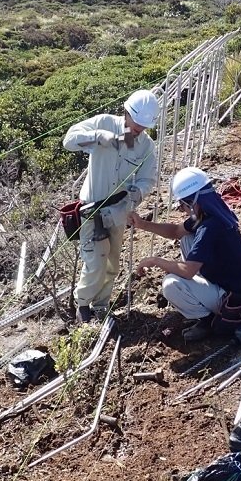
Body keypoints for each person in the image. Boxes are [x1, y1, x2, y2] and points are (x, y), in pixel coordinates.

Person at [128, 166, 241, 341]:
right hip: (239, 284)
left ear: (192, 201)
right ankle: (204, 294)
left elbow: (187, 270)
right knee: (186, 238)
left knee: (170, 284)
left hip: (233, 298)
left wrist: (155, 261)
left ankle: (209, 319)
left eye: (182, 204)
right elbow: (176, 231)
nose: (182, 209)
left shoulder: (209, 228)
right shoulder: (214, 213)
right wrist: (143, 225)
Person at [63, 89, 160, 323]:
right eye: (136, 124)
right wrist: (97, 136)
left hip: (118, 210)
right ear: (126, 113)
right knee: (95, 260)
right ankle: (83, 305)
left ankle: (101, 305)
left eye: (144, 127)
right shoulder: (105, 122)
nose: (139, 130)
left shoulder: (146, 146)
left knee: (112, 263)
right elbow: (69, 141)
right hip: (91, 208)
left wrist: (138, 193)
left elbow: (148, 178)